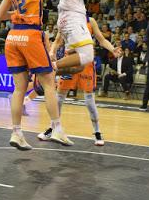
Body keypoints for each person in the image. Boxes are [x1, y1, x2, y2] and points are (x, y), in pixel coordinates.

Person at [0, 0, 72, 150]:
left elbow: (0, 15)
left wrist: (17, 14)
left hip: (12, 38)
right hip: (29, 35)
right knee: (49, 83)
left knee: (19, 88)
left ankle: (17, 133)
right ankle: (57, 128)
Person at [38, 15, 121, 146]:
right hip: (69, 60)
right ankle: (53, 127)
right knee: (59, 98)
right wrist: (52, 51)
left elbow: (101, 39)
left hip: (85, 62)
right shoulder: (65, 20)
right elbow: (58, 40)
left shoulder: (90, 21)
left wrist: (112, 49)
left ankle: (97, 131)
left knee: (89, 101)